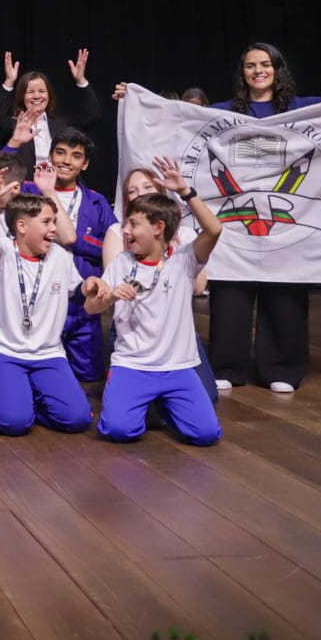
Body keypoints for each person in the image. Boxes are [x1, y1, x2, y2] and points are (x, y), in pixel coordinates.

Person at [206, 42, 321, 392]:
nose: (258, 70)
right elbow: (174, 118)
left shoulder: (301, 108)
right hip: (236, 220)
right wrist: (135, 99)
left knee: (285, 292)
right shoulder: (223, 112)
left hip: (285, 219)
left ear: (277, 68)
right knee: (230, 292)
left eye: (265, 64)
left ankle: (282, 369)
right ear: (242, 73)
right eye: (250, 65)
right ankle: (227, 365)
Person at [84, 158, 223, 446]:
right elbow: (90, 307)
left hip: (177, 367)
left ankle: (162, 404)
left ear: (158, 228)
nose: (125, 230)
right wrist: (107, 295)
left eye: (133, 225)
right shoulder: (122, 262)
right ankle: (144, 404)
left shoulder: (184, 259)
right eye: (126, 223)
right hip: (132, 365)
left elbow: (214, 230)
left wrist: (185, 192)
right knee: (118, 430)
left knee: (206, 434)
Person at [0, 184, 108, 437]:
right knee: (14, 423)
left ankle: (27, 398)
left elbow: (77, 292)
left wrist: (88, 286)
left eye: (54, 221)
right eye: (46, 222)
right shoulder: (1, 250)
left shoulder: (60, 256)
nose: (54, 228)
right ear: (22, 226)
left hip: (47, 353)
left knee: (77, 419)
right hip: (3, 350)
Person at [37, 127, 117, 382]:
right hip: (41, 295)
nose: (66, 161)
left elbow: (112, 245)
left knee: (88, 375)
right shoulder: (32, 192)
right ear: (50, 156)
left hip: (82, 300)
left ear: (85, 164)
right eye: (60, 153)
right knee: (43, 369)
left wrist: (72, 240)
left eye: (76, 155)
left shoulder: (97, 202)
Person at [0, 48, 100, 171]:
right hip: (25, 182)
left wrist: (81, 80)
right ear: (22, 96)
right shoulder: (15, 125)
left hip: (59, 180)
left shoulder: (62, 123)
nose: (37, 96)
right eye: (30, 92)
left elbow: (91, 116)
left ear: (49, 95)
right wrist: (9, 82)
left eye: (42, 91)